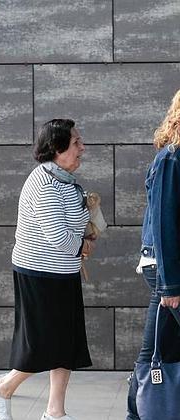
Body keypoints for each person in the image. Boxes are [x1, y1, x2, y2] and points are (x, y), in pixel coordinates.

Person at [0, 119, 93, 420]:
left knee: (66, 344)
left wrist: (84, 237)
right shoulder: (44, 183)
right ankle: (2, 387)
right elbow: (58, 237)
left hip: (64, 273)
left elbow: (74, 227)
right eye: (75, 143)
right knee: (41, 345)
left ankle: (55, 412)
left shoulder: (67, 181)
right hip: (39, 275)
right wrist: (81, 244)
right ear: (57, 149)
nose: (82, 148)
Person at [126, 89, 180, 420]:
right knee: (158, 349)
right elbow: (164, 223)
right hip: (166, 268)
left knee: (157, 349)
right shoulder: (172, 158)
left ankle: (137, 414)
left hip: (170, 269)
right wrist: (171, 286)